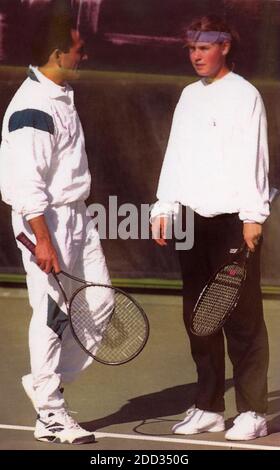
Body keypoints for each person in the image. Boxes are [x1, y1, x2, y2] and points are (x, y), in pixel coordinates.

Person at [151, 15, 270, 441]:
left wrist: (253, 217)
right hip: (190, 219)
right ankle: (208, 406)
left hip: (233, 223)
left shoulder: (245, 96)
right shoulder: (188, 96)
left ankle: (253, 411)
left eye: (204, 47)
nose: (195, 55)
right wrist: (163, 206)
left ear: (225, 47)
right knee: (198, 317)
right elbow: (176, 154)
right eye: (190, 48)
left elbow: (256, 157)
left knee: (242, 319)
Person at [0, 14, 111, 444]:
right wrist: (42, 239)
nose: (84, 55)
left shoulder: (62, 92)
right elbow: (27, 183)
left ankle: (44, 382)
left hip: (76, 216)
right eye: (78, 48)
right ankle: (50, 412)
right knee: (51, 314)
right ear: (56, 53)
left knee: (97, 304)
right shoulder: (32, 109)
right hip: (44, 220)